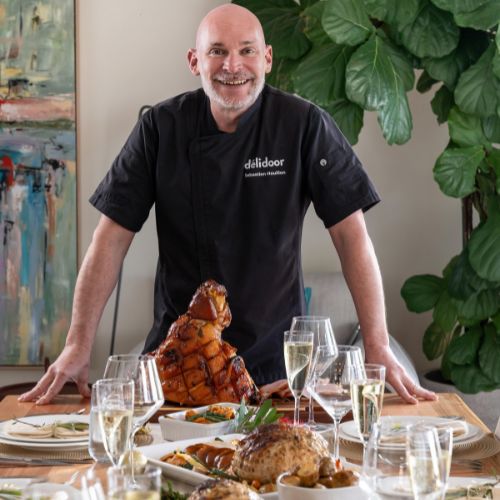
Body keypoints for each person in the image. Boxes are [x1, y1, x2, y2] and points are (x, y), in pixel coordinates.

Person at [20, 3, 435, 405]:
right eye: (217, 51)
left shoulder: (304, 125)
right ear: (194, 61)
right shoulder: (160, 128)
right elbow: (110, 240)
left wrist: (377, 344)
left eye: (246, 51)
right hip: (180, 373)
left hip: (277, 376)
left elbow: (351, 236)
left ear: (267, 58)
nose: (232, 66)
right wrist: (77, 344)